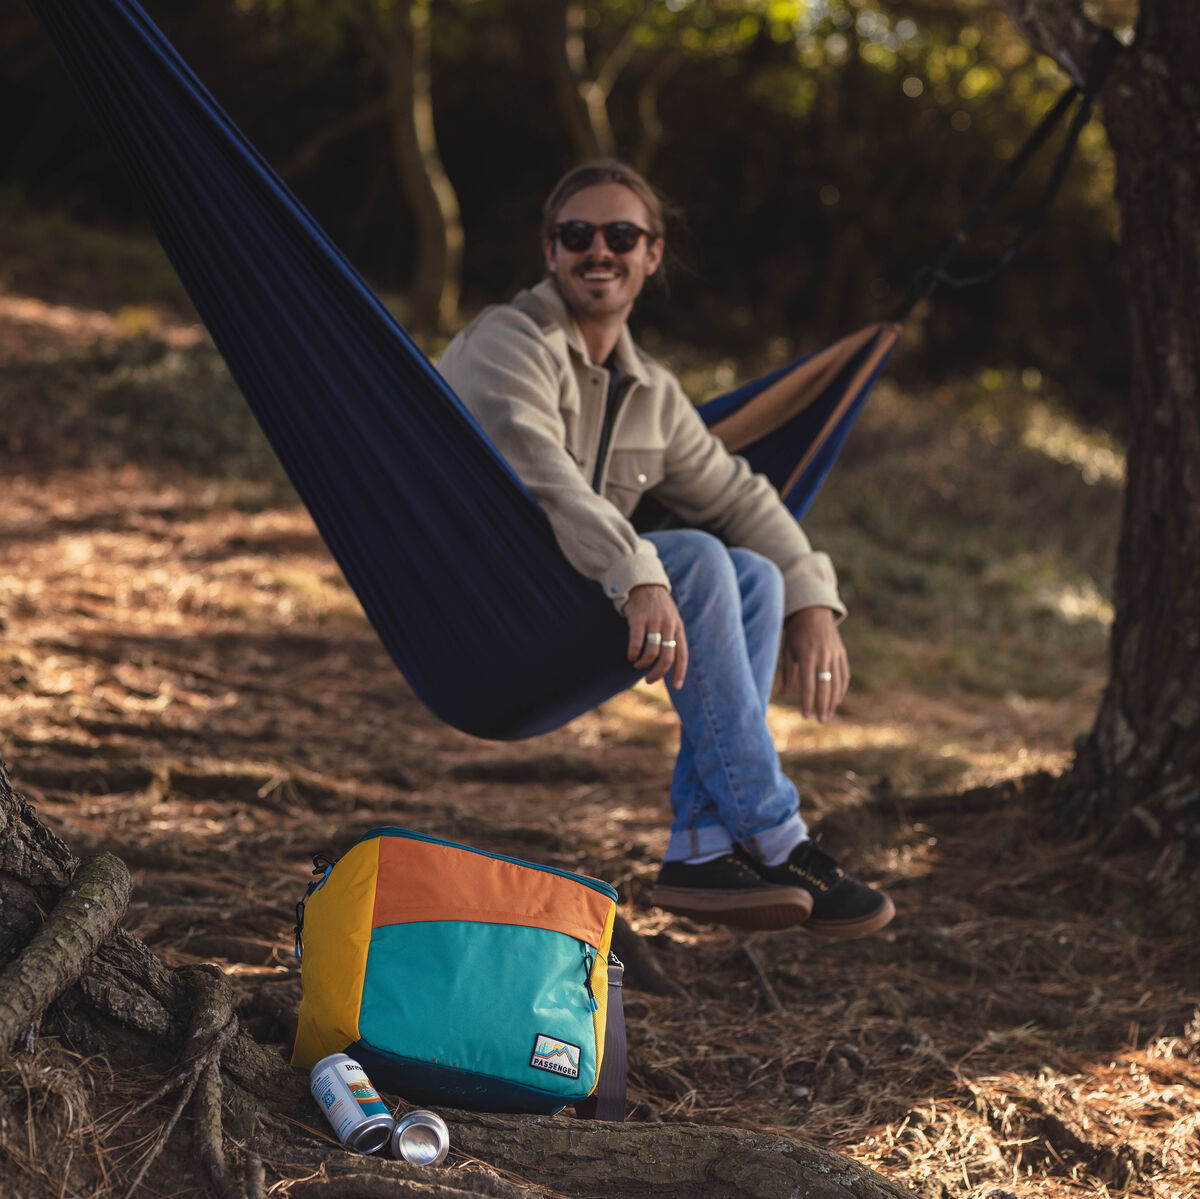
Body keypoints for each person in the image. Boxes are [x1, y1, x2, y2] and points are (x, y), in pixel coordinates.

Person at [438, 160, 893, 939]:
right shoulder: (508, 343)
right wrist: (641, 571)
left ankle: (702, 844)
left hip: (578, 609)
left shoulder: (651, 390)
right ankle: (775, 831)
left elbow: (742, 495)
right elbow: (544, 480)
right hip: (487, 606)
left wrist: (812, 598)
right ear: (550, 252)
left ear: (653, 254)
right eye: (576, 234)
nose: (598, 251)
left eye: (622, 235)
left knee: (752, 573)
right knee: (693, 556)